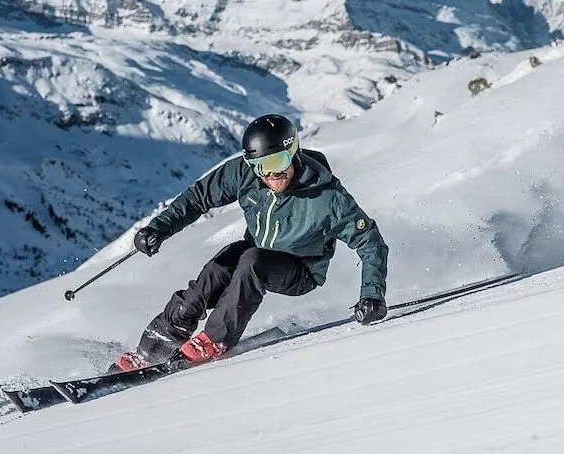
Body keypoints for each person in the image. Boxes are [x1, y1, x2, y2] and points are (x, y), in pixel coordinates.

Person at [115, 113, 389, 371]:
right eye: (260, 167)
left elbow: (370, 241)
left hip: (301, 269)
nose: (270, 175)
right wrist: (159, 229)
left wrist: (372, 295)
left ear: (293, 152)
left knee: (252, 261)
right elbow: (199, 197)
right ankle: (156, 345)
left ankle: (215, 338)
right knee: (218, 268)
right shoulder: (247, 175)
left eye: (276, 163)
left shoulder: (327, 198)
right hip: (255, 251)